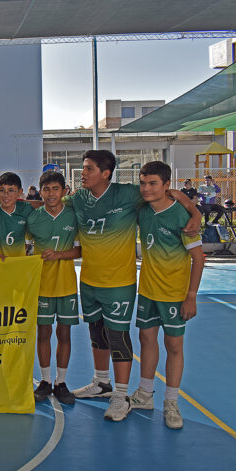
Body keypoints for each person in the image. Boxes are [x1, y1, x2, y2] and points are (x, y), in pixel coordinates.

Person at [65, 150, 200, 422]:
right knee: (111, 335)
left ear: (105, 173)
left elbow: (172, 194)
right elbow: (51, 200)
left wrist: (195, 212)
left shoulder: (133, 197)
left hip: (141, 286)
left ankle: (143, 398)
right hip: (130, 287)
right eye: (143, 183)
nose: (146, 189)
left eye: (88, 168)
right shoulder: (137, 209)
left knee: (153, 343)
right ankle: (118, 387)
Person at [131, 162, 204, 429]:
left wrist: (191, 296)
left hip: (174, 294)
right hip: (148, 290)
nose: (146, 188)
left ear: (166, 186)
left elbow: (199, 258)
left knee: (174, 346)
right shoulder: (143, 211)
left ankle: (171, 401)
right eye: (143, 183)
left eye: (153, 184)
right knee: (146, 339)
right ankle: (144, 394)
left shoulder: (181, 217)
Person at [26, 172, 80, 405]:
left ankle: (61, 382)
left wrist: (59, 255)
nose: (50, 194)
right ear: (40, 191)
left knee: (65, 333)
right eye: (46, 189)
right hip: (41, 284)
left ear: (64, 190)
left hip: (67, 284)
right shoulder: (34, 218)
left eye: (55, 189)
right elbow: (25, 250)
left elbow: (80, 251)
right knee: (44, 333)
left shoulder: (73, 216)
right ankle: (45, 381)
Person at [0, 172, 33, 257]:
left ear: (19, 192)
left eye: (11, 190)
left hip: (18, 262)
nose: (6, 195)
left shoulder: (26, 209)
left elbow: (46, 205)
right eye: (2, 190)